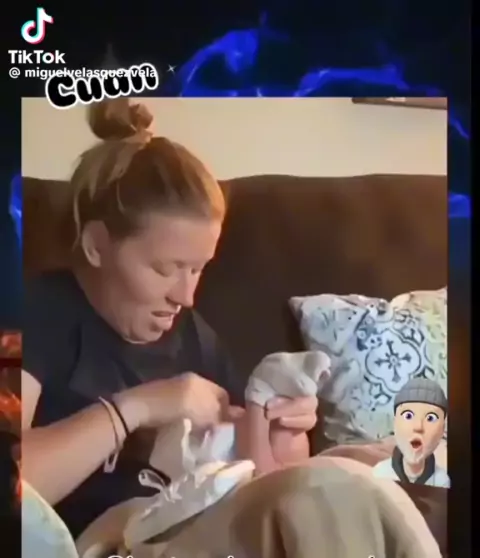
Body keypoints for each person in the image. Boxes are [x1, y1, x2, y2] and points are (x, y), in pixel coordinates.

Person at [21, 98, 317, 538]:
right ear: (96, 245)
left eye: (198, 269)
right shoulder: (33, 313)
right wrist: (139, 407)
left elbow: (265, 479)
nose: (185, 296)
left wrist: (284, 429)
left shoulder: (195, 337)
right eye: (165, 269)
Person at [372, 377, 449, 487]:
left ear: (442, 430)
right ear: (395, 423)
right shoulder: (381, 474)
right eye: (408, 416)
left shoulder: (441, 481)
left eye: (430, 418)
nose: (418, 426)